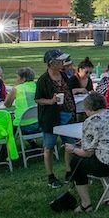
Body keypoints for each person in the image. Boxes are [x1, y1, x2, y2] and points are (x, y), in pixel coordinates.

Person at [36, 49, 80, 188]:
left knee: (70, 145)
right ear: (51, 63)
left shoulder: (63, 75)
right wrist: (51, 101)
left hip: (67, 115)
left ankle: (69, 172)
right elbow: (38, 99)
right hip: (51, 118)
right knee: (48, 147)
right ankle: (51, 176)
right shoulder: (43, 80)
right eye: (60, 60)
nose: (62, 62)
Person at [5, 67, 39, 133]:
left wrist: (8, 95)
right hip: (40, 123)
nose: (16, 79)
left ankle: (5, 143)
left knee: (7, 124)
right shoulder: (37, 86)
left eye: (17, 77)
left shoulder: (17, 89)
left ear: (23, 79)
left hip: (23, 125)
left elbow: (7, 105)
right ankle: (31, 141)